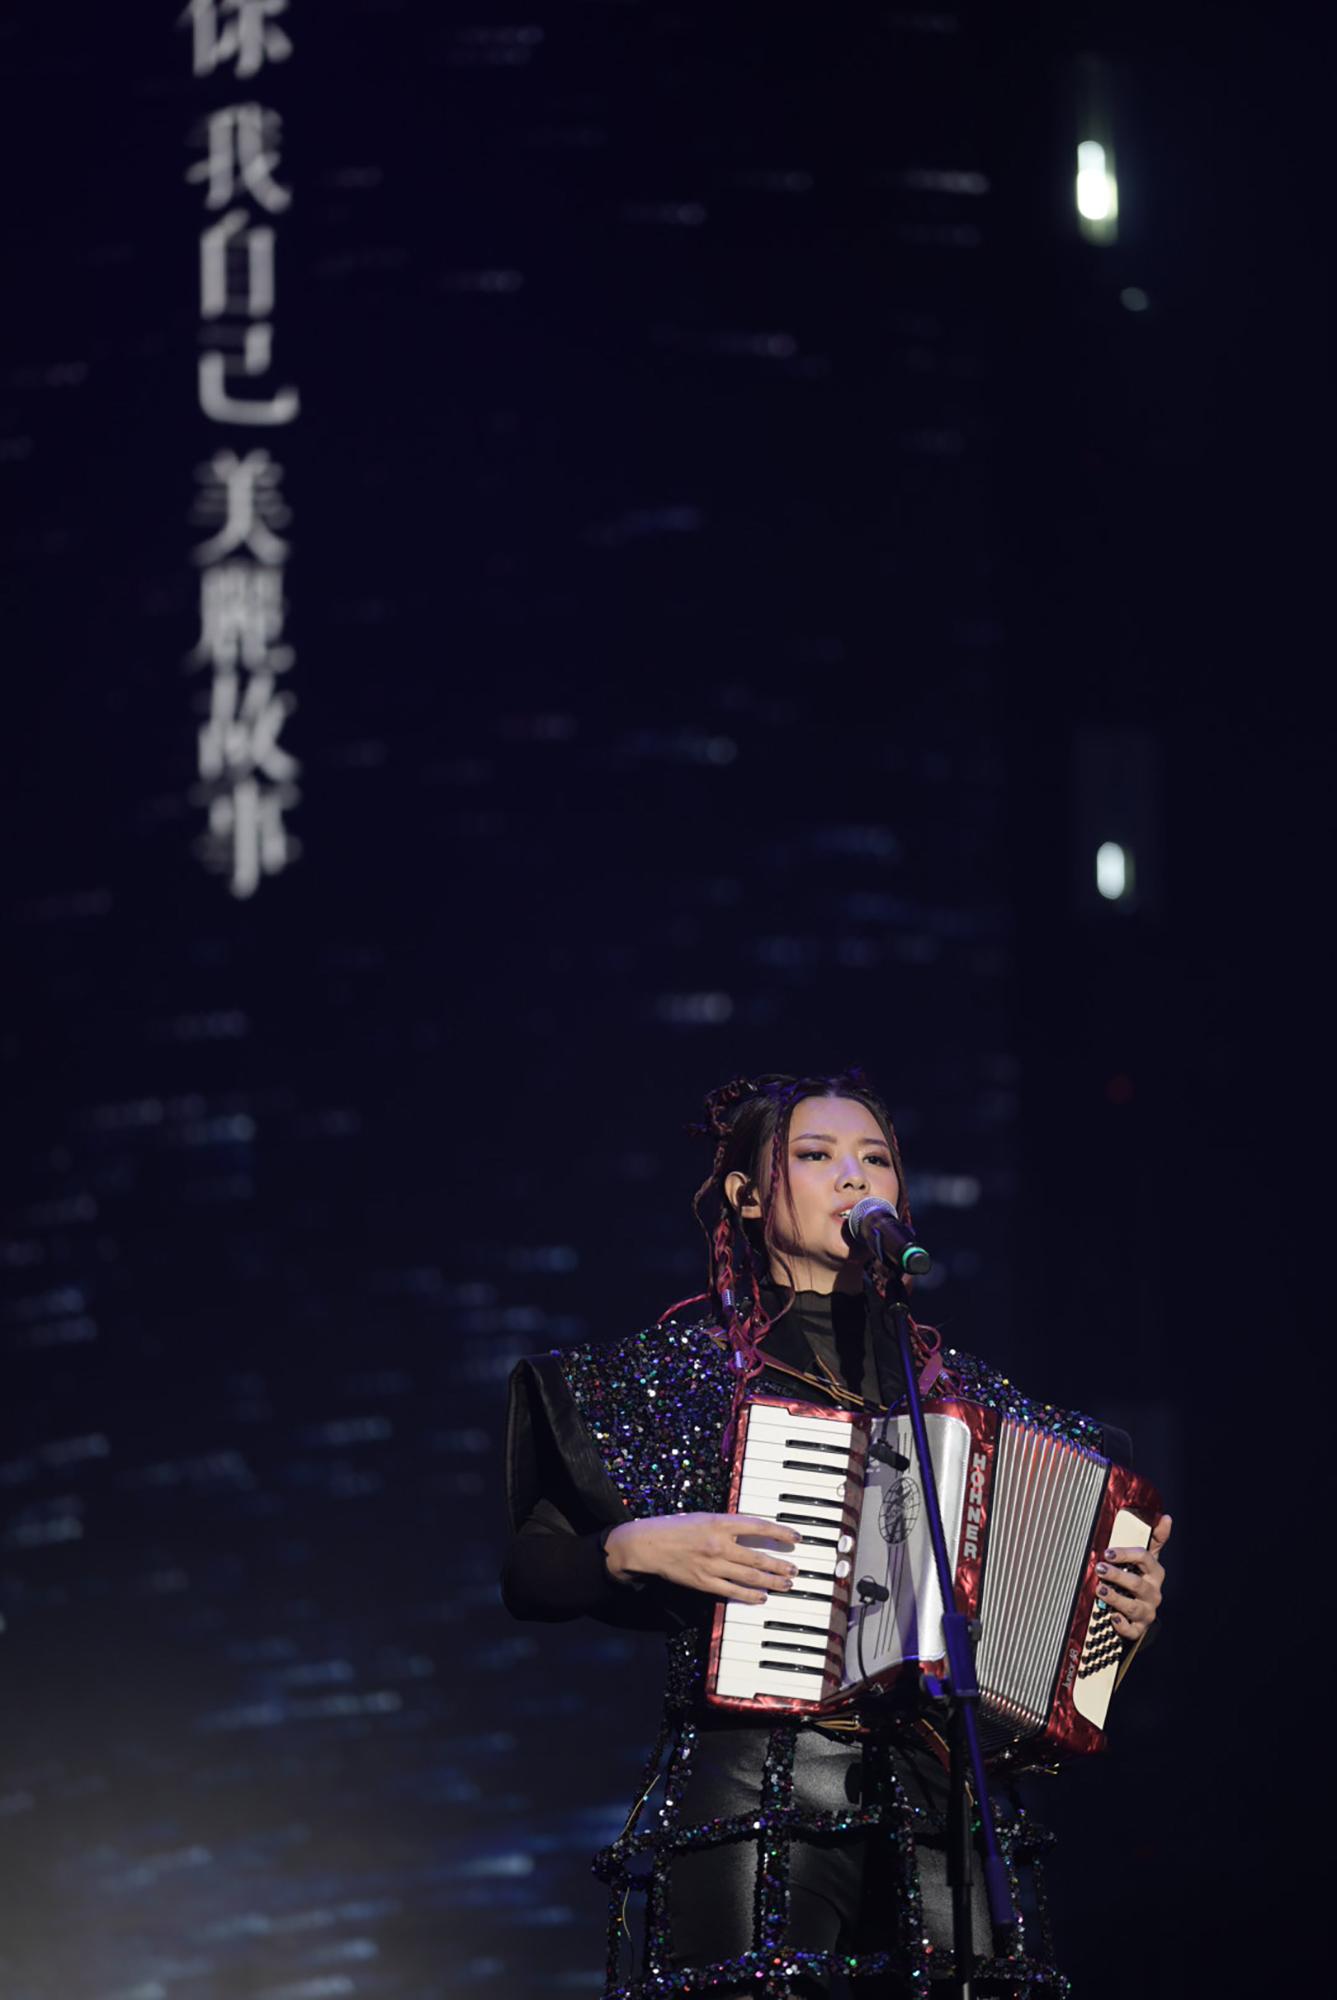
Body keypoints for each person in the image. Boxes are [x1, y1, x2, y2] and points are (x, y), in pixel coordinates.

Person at [502, 1070, 1169, 1998]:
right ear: (746, 1195)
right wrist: (633, 1547)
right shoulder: (675, 1373)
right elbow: (531, 1572)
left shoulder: (964, 1397)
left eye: (876, 1159)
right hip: (758, 1783)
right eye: (816, 1156)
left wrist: (1118, 1614)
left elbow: (1056, 1619)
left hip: (945, 1801)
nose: (854, 1178)